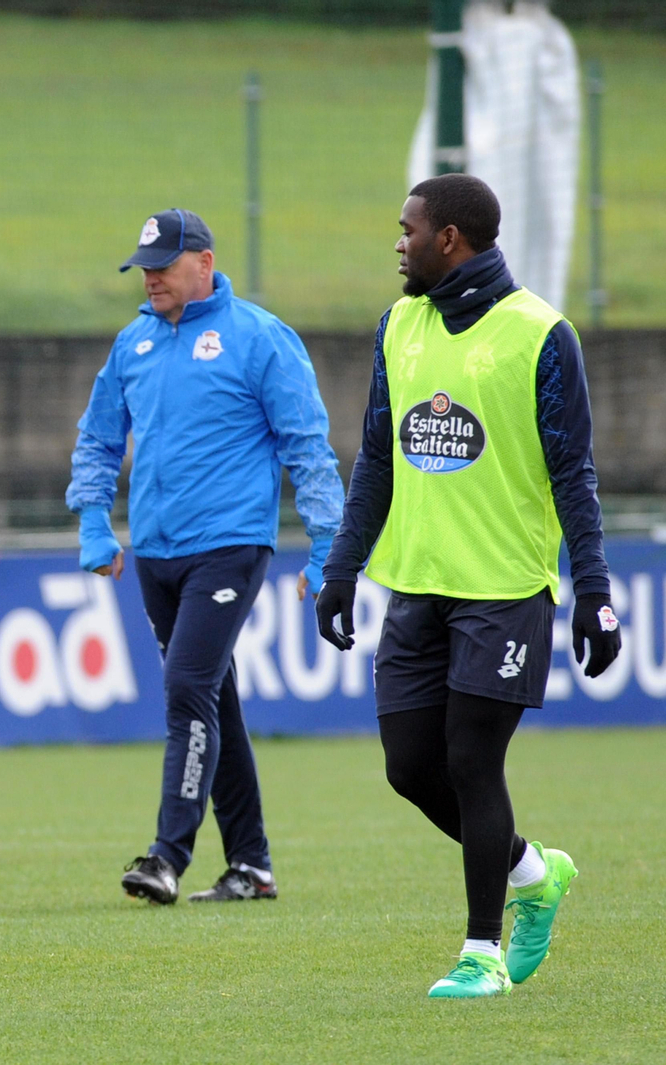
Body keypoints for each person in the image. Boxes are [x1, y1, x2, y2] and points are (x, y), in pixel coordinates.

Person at [316, 174, 620, 999]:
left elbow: (573, 471)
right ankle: (533, 869)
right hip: (415, 586)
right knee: (411, 767)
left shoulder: (541, 334)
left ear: (450, 238)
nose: (398, 241)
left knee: (470, 759)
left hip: (505, 588)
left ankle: (481, 951)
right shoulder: (398, 327)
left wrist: (592, 587)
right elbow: (376, 457)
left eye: (408, 228)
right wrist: (343, 567)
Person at [66, 208, 345, 906]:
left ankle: (167, 854)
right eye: (144, 265)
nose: (151, 275)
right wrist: (95, 522)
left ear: (206, 263)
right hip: (155, 553)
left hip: (229, 547)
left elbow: (307, 449)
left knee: (186, 688)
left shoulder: (260, 339)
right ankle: (252, 864)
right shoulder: (132, 343)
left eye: (164, 263)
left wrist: (329, 550)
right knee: (213, 697)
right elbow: (98, 440)